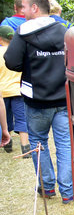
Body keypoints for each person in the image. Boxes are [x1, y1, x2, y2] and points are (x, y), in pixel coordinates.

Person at [4, 0, 72, 204]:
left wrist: (31, 61)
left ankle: (47, 187)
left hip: (37, 101)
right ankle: (68, 192)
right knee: (65, 144)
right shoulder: (64, 31)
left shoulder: (24, 33)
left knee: (38, 142)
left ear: (34, 7)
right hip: (63, 98)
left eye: (23, 6)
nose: (21, 11)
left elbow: (12, 62)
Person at [0, 25, 29, 155]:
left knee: (4, 119)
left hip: (2, 92)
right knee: (21, 119)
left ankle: (8, 143)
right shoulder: (17, 52)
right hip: (18, 91)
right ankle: (26, 148)